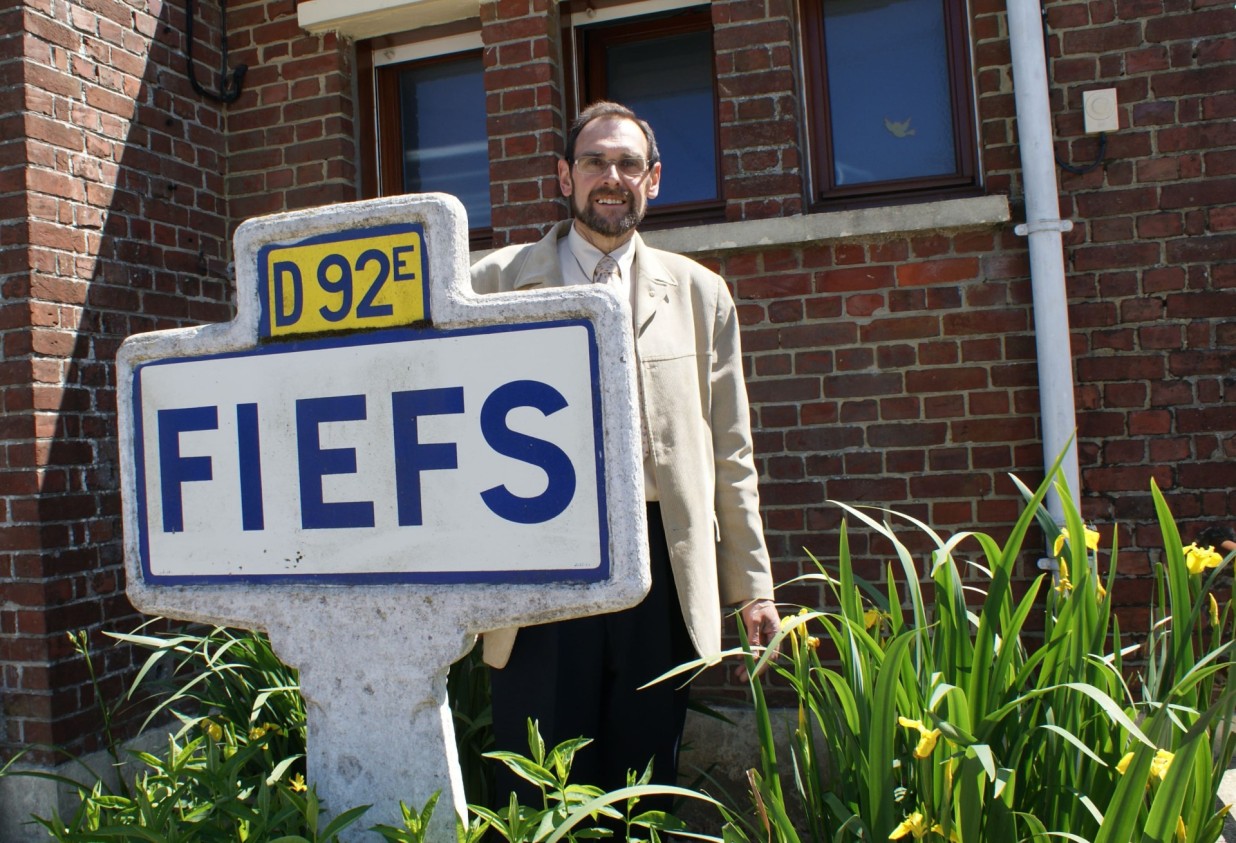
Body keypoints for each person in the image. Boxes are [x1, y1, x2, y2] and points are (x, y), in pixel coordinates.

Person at [470, 101, 780, 804]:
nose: (612, 177)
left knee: (642, 791)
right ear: (563, 175)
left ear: (654, 179)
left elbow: (730, 449)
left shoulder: (703, 295)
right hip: (539, 570)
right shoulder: (490, 284)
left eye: (628, 163)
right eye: (594, 161)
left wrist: (752, 583)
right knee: (536, 788)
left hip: (657, 570)